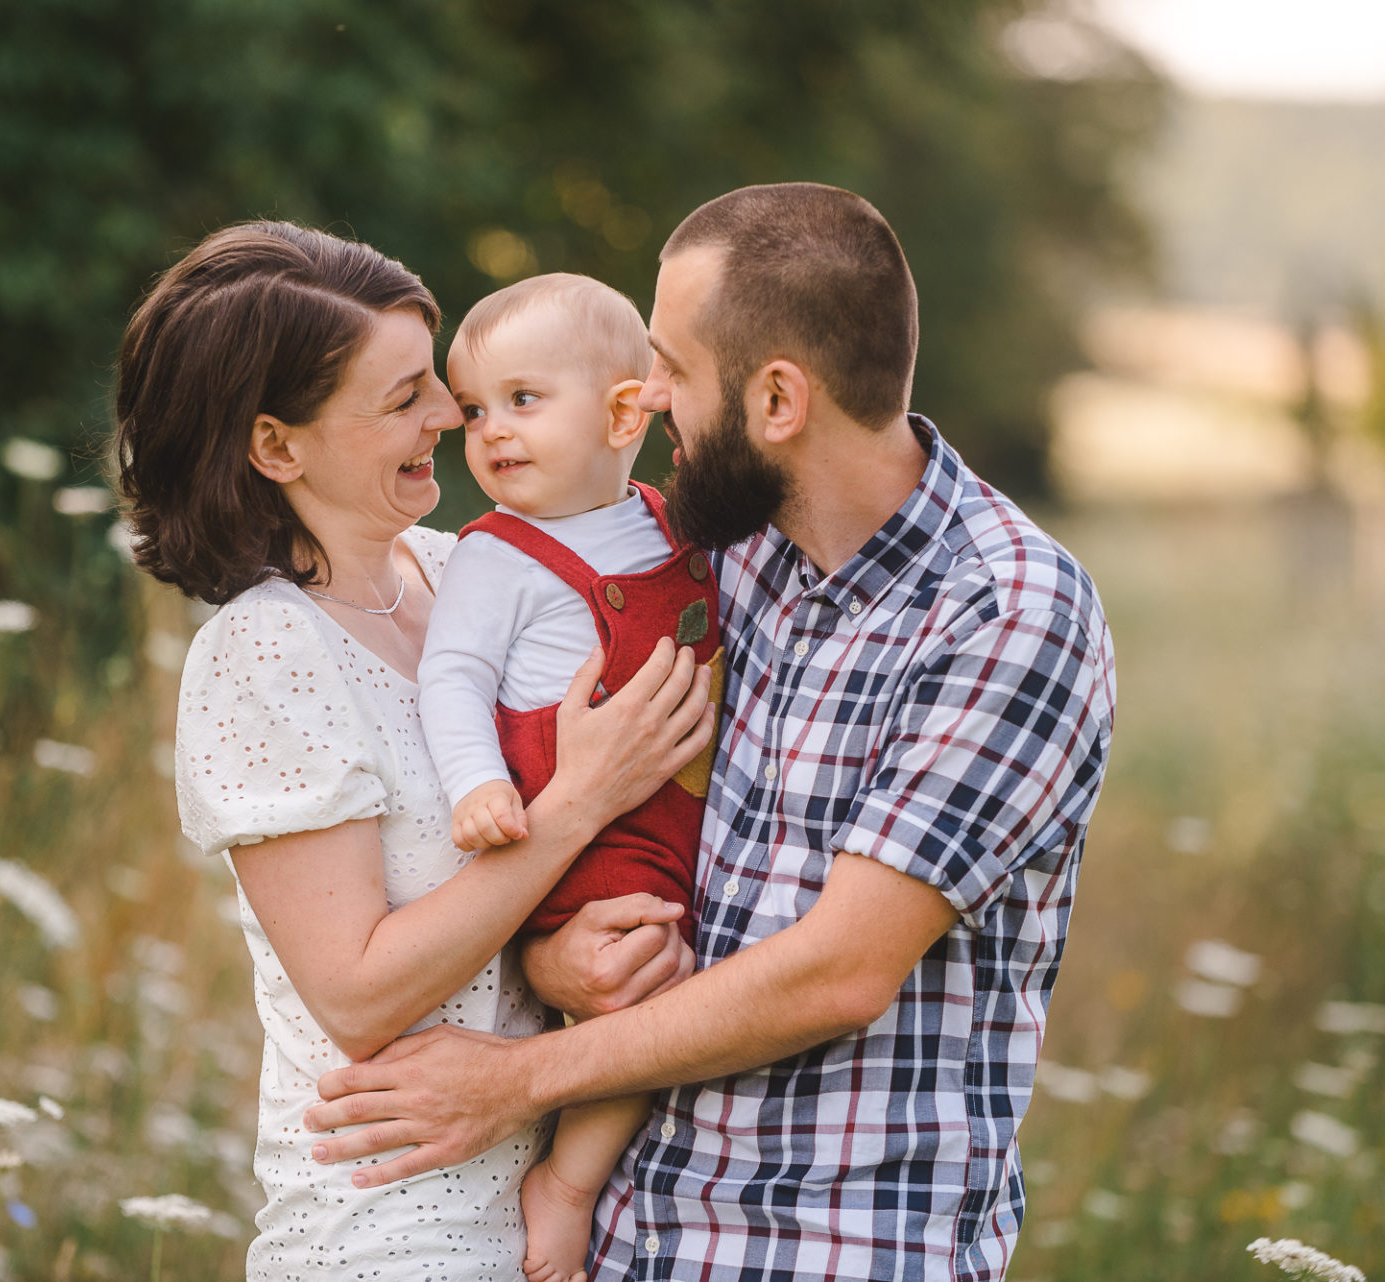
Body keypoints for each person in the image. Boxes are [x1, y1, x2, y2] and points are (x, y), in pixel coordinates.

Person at [301, 183, 1119, 1282]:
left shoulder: (1006, 613)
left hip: (831, 1247)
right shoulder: (727, 555)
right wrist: (553, 956)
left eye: (673, 371)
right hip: (633, 1233)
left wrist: (514, 1080)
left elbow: (839, 970)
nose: (647, 400)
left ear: (777, 399)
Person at [111, 221, 712, 1281]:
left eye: (439, 382)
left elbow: (492, 917)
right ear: (277, 448)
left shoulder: (457, 570)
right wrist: (581, 799)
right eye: (405, 399)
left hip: (546, 1202)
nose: (451, 415)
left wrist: (551, 957)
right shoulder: (266, 651)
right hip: (393, 1227)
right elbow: (358, 993)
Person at [417, 273, 723, 1282]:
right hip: (577, 829)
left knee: (668, 981)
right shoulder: (495, 555)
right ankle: (570, 1185)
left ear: (628, 409)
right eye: (474, 410)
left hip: (673, 811)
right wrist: (477, 786)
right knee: (637, 988)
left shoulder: (666, 521)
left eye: (523, 399)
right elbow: (453, 676)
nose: (490, 430)